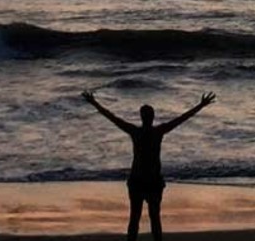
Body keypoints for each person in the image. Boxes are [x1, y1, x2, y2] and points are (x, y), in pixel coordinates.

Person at [81, 90, 216, 241]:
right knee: (154, 219)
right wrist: (201, 105)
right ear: (152, 118)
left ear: (141, 117)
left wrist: (94, 102)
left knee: (135, 219)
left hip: (138, 180)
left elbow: (112, 118)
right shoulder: (158, 131)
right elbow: (181, 119)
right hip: (152, 181)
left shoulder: (135, 132)